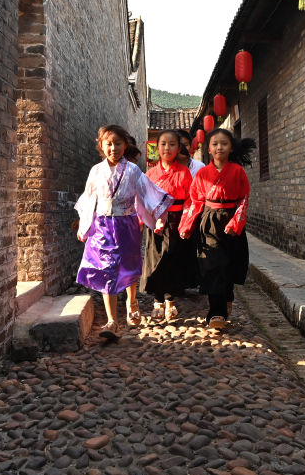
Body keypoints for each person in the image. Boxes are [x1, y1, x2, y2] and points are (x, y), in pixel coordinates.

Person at [75, 125, 172, 340]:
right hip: (102, 226)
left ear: (125, 145)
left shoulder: (133, 170)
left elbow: (147, 194)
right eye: (108, 144)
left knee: (128, 265)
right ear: (101, 146)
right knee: (106, 270)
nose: (113, 148)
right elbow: (88, 199)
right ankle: (112, 321)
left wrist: (158, 218)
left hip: (126, 224)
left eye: (118, 143)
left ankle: (132, 301)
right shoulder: (96, 171)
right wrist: (84, 226)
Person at [179, 128, 256, 331]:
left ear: (231, 148)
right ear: (209, 149)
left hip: (230, 221)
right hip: (209, 222)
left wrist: (236, 223)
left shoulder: (238, 172)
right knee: (213, 266)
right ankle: (216, 312)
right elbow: (195, 200)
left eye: (224, 143)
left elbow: (243, 199)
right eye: (215, 144)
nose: (219, 147)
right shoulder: (203, 173)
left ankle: (227, 296)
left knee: (228, 265)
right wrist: (187, 224)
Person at [141, 129, 197, 321]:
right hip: (156, 223)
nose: (167, 148)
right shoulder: (150, 174)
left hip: (176, 221)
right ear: (157, 148)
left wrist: (187, 222)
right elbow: (144, 201)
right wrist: (146, 220)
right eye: (163, 144)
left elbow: (190, 199)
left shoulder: (184, 172)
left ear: (179, 148)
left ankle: (170, 300)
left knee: (173, 260)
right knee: (156, 260)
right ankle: (157, 301)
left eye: (172, 144)